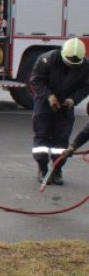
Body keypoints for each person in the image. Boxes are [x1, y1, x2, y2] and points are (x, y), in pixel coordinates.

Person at [29, 37, 89, 185]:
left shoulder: (86, 66)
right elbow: (36, 81)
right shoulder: (46, 60)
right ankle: (43, 169)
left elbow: (85, 87)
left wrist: (73, 99)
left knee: (61, 140)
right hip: (44, 102)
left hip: (66, 104)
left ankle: (57, 170)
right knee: (42, 137)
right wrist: (49, 96)